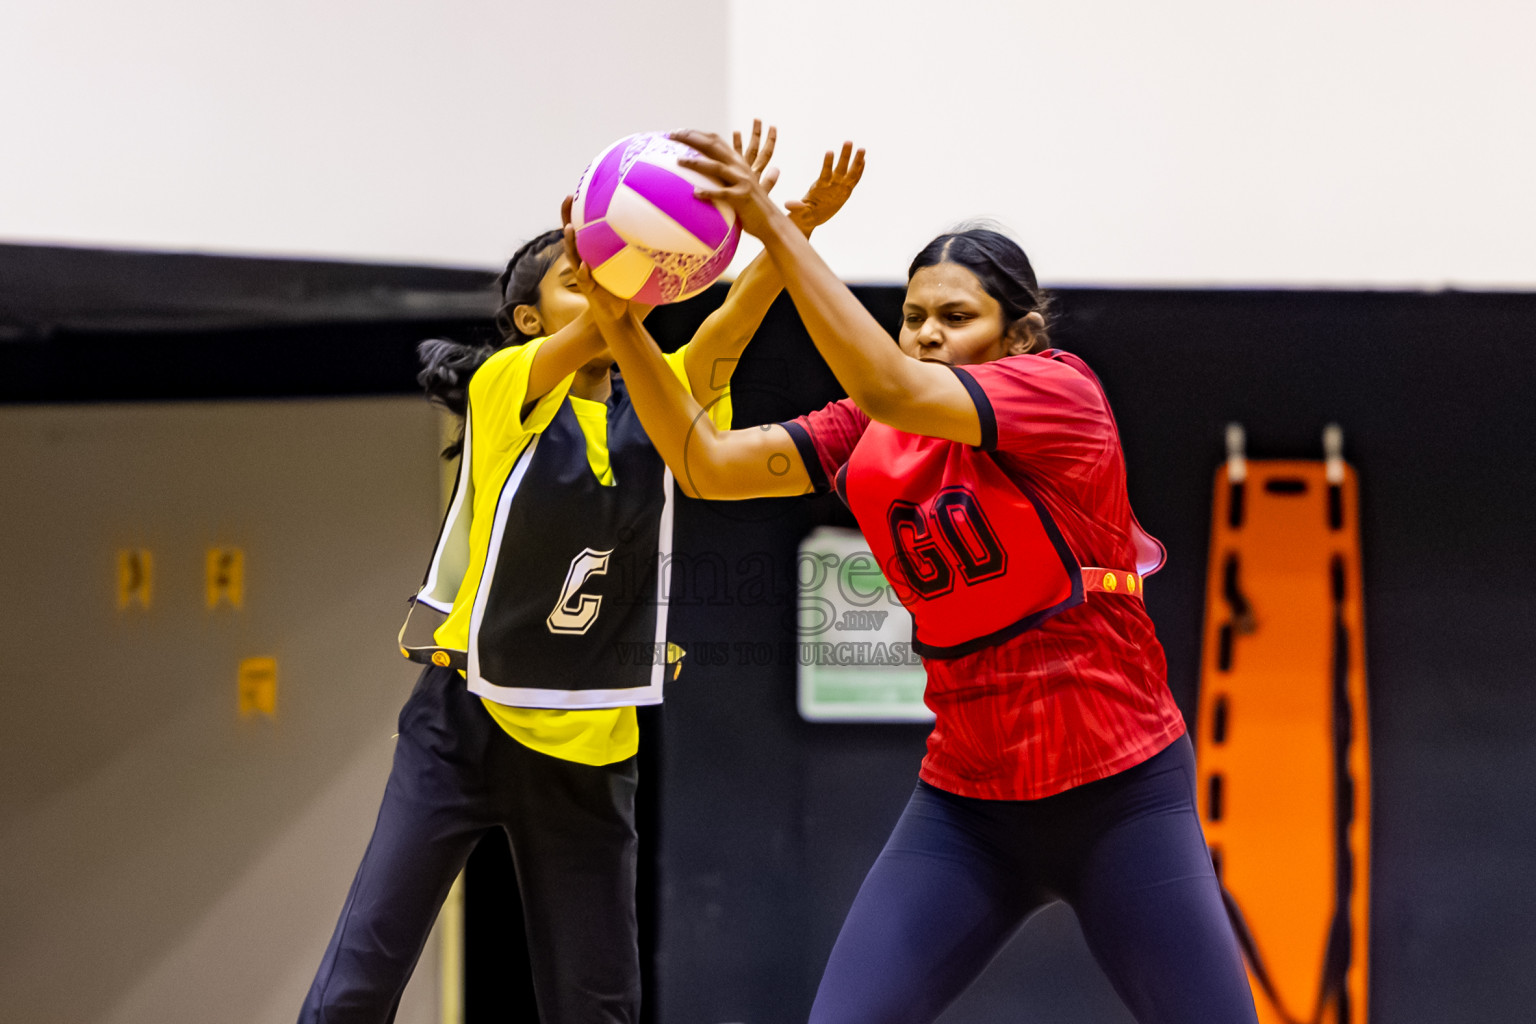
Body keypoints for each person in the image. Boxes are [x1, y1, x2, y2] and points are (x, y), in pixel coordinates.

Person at [562, 131, 1261, 1024]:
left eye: (956, 316)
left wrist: (777, 228)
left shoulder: (1061, 393)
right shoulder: (869, 426)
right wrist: (620, 324)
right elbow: (702, 463)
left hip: (1120, 793)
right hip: (970, 809)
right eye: (913, 315)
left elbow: (894, 385)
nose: (928, 331)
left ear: (1019, 333)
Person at [298, 123, 864, 1024]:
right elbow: (611, 320)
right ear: (531, 321)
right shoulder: (506, 388)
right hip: (463, 722)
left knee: (598, 1002)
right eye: (578, 280)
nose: (610, 290)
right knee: (364, 974)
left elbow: (727, 329)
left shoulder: (664, 398)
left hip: (591, 739)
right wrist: (621, 277)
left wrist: (788, 228)